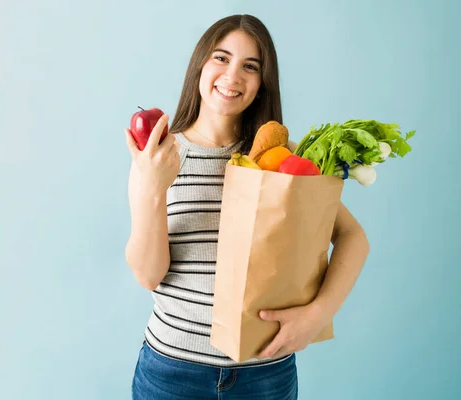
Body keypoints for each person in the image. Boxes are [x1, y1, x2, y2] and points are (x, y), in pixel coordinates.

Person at [124, 14, 369, 399]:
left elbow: (354, 237)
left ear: (261, 84)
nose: (233, 76)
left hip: (265, 376)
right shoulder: (159, 155)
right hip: (172, 371)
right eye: (221, 58)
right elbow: (149, 275)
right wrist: (153, 188)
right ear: (200, 66)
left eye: (250, 66)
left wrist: (318, 314)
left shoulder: (277, 159)